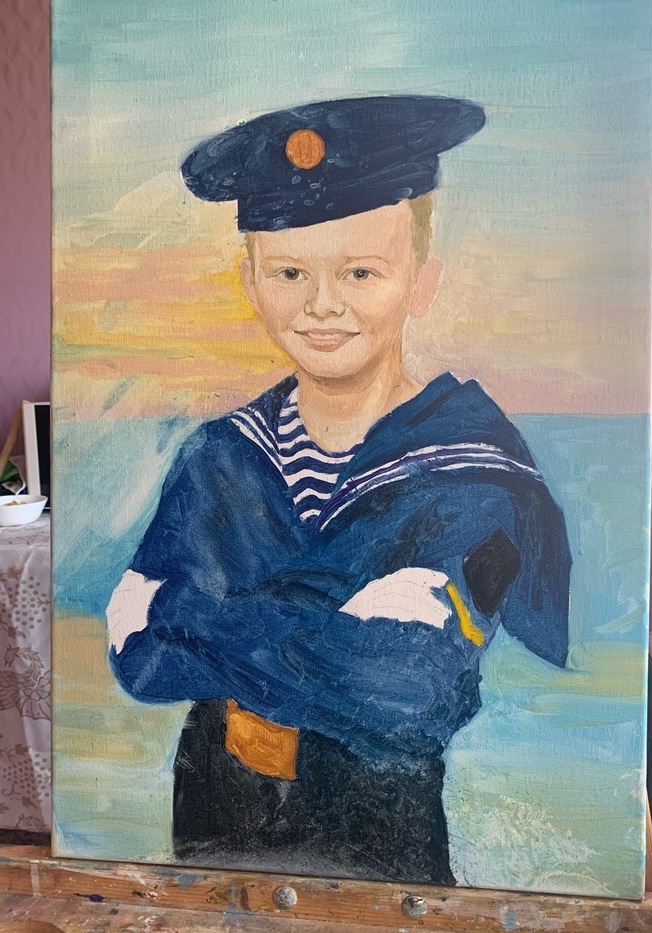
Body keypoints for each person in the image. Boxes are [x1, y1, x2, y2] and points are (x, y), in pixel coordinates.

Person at [106, 95, 571, 885]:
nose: (322, 304)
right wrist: (337, 625)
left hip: (377, 830)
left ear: (421, 282)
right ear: (250, 280)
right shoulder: (220, 458)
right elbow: (136, 655)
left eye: (361, 271)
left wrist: (196, 614)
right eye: (290, 272)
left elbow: (408, 691)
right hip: (214, 815)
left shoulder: (476, 476)